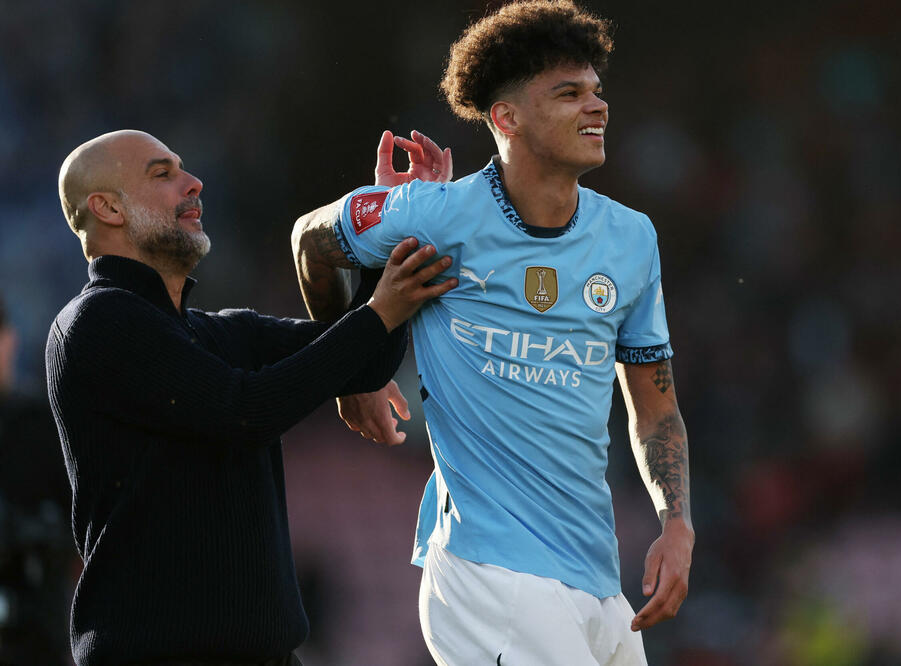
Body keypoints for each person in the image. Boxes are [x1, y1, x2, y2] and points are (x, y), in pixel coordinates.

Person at [293, 1, 695, 663]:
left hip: (598, 585)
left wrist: (676, 524)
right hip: (490, 575)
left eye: (596, 90)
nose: (597, 106)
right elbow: (310, 240)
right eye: (568, 93)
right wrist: (351, 373)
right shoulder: (436, 213)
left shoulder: (631, 237)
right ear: (506, 118)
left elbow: (654, 409)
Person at [46, 129, 456, 666]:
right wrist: (381, 310)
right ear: (108, 208)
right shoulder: (97, 320)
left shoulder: (216, 332)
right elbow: (246, 412)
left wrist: (388, 224)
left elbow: (364, 364)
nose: (194, 183)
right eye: (163, 173)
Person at [0, 295, 74, 665]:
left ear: (9, 339)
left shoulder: (42, 425)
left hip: (35, 638)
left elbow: (84, 530)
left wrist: (30, 533)